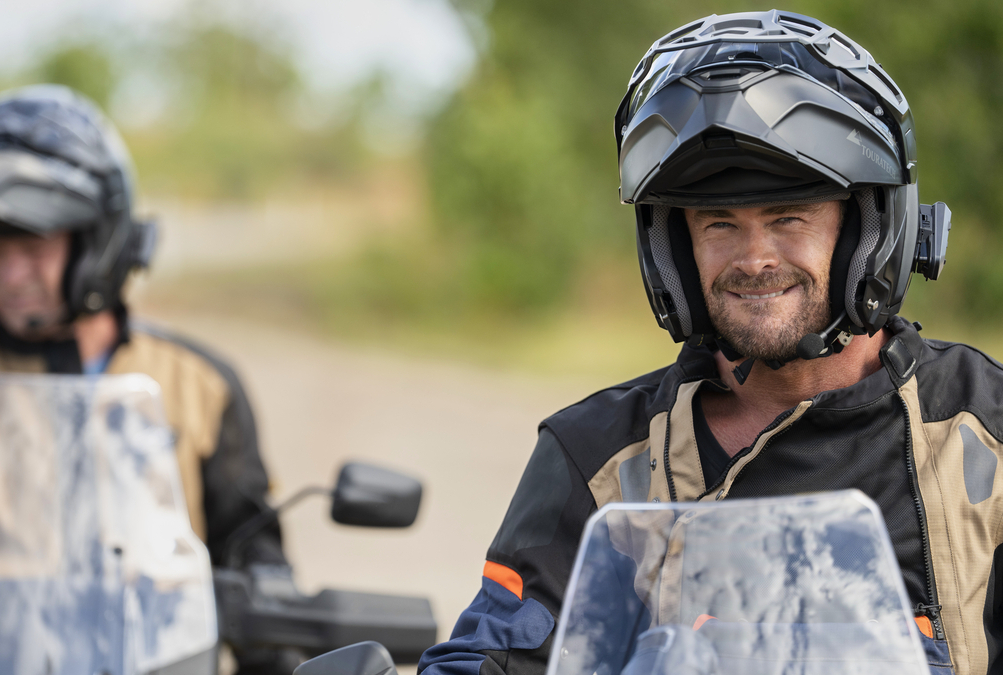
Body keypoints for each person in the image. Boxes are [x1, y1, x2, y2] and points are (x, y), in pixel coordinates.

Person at [415, 10, 1000, 675]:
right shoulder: (599, 460)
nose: (753, 257)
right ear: (675, 251)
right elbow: (494, 654)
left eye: (788, 217)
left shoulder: (986, 434)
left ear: (865, 232)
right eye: (719, 222)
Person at [0, 85, 296, 673]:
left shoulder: (197, 385)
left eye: (32, 244)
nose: (10, 273)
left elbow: (252, 547)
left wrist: (274, 609)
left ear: (95, 240)